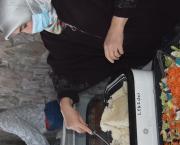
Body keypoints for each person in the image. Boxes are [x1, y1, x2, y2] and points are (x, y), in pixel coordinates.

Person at [0, 0, 179, 134]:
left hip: (162, 12)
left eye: (24, 25)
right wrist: (65, 103)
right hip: (154, 48)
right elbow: (66, 67)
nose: (29, 31)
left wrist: (117, 25)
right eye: (22, 31)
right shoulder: (52, 36)